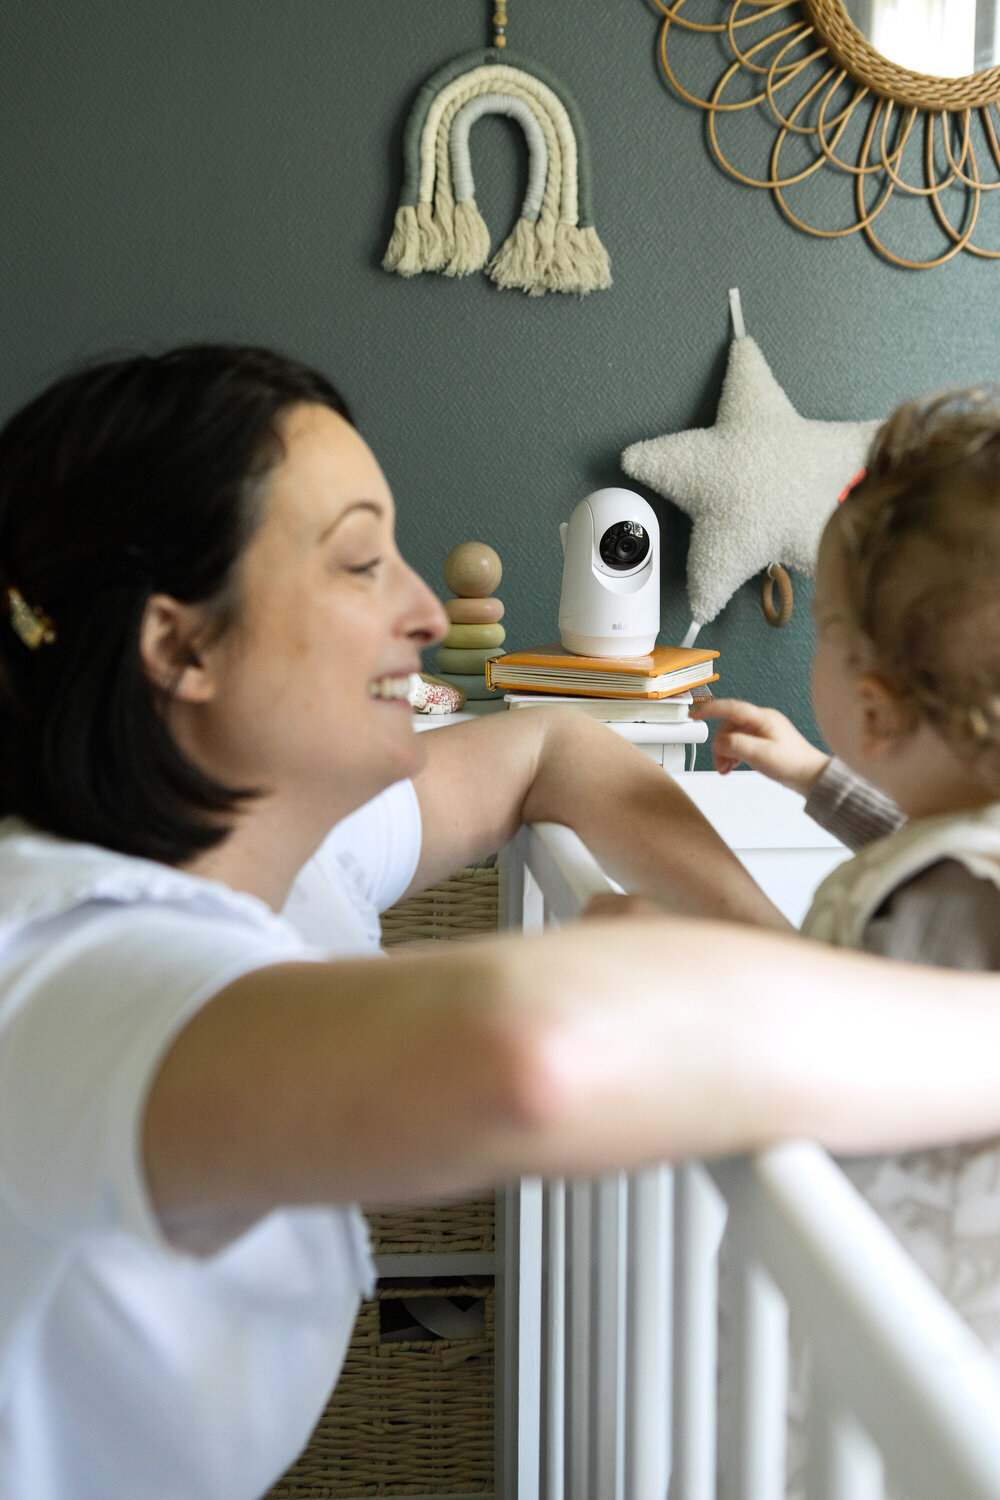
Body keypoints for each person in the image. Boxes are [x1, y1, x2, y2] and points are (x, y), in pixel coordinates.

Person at [2, 350, 1000, 1500]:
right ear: (182, 647)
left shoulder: (290, 849)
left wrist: (761, 946)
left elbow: (552, 747)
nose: (426, 612)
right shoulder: (60, 971)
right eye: (362, 563)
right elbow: (530, 1055)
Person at [694, 385, 1000, 1364]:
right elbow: (923, 837)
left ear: (871, 708)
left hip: (897, 1349)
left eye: (824, 627)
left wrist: (675, 972)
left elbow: (827, 1059)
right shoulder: (964, 857)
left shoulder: (945, 903)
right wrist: (815, 777)